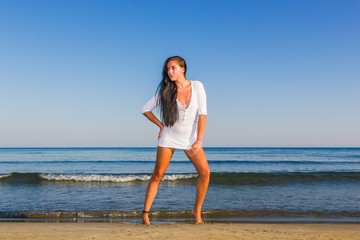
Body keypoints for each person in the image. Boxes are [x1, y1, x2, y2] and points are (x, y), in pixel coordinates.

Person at [140, 56, 210, 224]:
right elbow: (145, 109)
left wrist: (199, 140)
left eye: (173, 68)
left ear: (183, 68)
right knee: (157, 175)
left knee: (205, 173)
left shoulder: (197, 86)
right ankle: (145, 214)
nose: (170, 72)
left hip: (190, 139)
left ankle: (196, 211)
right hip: (169, 137)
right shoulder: (166, 92)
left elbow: (203, 114)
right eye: (168, 69)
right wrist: (161, 126)